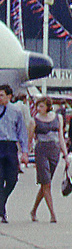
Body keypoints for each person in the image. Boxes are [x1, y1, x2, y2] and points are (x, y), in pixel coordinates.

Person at [28, 97, 63, 223]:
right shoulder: (34, 120)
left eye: (41, 106)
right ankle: (52, 214)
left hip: (54, 150)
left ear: (48, 106)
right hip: (41, 150)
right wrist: (26, 153)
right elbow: (30, 138)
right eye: (38, 106)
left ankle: (33, 210)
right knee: (46, 183)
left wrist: (65, 153)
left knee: (45, 183)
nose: (39, 109)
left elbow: (61, 137)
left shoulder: (58, 118)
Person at [0, 85, 27, 223]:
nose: (0, 98)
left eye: (2, 95)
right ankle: (2, 212)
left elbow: (22, 131)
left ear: (9, 96)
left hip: (10, 146)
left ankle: (1, 201)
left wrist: (25, 151)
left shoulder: (16, 111)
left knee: (12, 179)